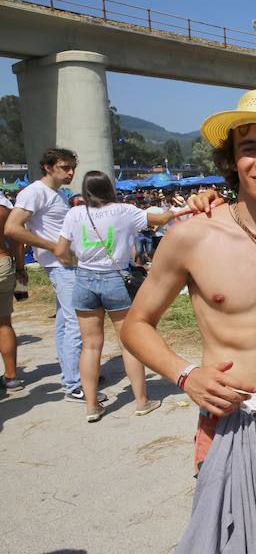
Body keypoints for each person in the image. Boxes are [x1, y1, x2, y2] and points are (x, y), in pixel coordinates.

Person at [121, 89, 256, 554]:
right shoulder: (192, 236)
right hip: (231, 420)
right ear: (233, 160)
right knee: (224, 544)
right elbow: (136, 323)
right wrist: (184, 374)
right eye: (249, 149)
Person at [54, 171, 173, 422]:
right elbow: (161, 217)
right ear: (109, 187)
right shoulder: (124, 210)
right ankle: (141, 401)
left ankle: (91, 405)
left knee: (90, 345)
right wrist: (174, 212)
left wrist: (75, 262)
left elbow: (60, 251)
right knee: (128, 342)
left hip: (84, 279)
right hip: (116, 279)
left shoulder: (75, 213)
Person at [6, 148, 92, 401]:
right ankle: (75, 383)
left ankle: (75, 374)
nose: (71, 172)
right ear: (48, 166)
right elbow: (12, 228)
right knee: (76, 321)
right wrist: (54, 246)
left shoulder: (55, 193)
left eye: (73, 167)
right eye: (65, 167)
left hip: (63, 263)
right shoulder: (35, 192)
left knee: (66, 323)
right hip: (60, 264)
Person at [0, 190, 25, 391]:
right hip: (3, 263)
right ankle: (11, 377)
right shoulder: (5, 205)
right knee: (4, 322)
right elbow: (18, 240)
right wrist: (20, 269)